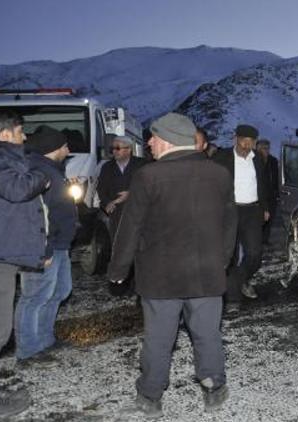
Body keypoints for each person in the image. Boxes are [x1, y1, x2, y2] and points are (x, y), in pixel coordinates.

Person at [107, 112, 237, 418]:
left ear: (166, 140)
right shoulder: (219, 173)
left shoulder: (148, 176)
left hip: (160, 277)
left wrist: (118, 271)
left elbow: (131, 227)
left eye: (152, 137)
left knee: (158, 338)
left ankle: (150, 398)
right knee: (207, 334)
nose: (149, 143)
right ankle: (214, 389)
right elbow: (230, 222)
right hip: (207, 272)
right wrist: (223, 260)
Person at [0, 112, 50, 419]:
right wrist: (42, 175)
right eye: (19, 132)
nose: (24, 137)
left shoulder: (3, 158)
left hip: (1, 255)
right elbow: (16, 190)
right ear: (4, 135)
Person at [15, 126, 77, 363]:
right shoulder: (38, 172)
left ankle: (45, 339)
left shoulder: (52, 170)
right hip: (44, 246)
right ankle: (28, 350)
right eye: (65, 146)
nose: (68, 150)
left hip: (60, 244)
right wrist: (44, 249)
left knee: (60, 291)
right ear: (54, 148)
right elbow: (36, 216)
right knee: (34, 297)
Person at [213, 124, 272, 304]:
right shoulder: (222, 157)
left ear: (254, 143)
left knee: (255, 253)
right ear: (235, 139)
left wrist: (265, 208)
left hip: (253, 210)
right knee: (230, 255)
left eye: (250, 142)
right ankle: (232, 298)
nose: (246, 145)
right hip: (230, 210)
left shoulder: (257, 159)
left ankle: (240, 280)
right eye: (243, 141)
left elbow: (262, 185)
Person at [96, 135, 146, 240]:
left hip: (138, 214)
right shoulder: (107, 167)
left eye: (118, 148)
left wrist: (131, 193)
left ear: (128, 149)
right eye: (112, 149)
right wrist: (107, 203)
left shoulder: (142, 165)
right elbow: (101, 189)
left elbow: (148, 186)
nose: (114, 151)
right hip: (116, 215)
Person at [255, 139, 279, 245]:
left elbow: (276, 178)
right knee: (259, 220)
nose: (266, 150)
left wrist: (277, 193)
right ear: (258, 148)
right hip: (257, 195)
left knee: (270, 219)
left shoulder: (273, 161)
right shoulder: (252, 160)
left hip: (271, 195)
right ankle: (257, 240)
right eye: (263, 148)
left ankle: (265, 239)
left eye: (267, 148)